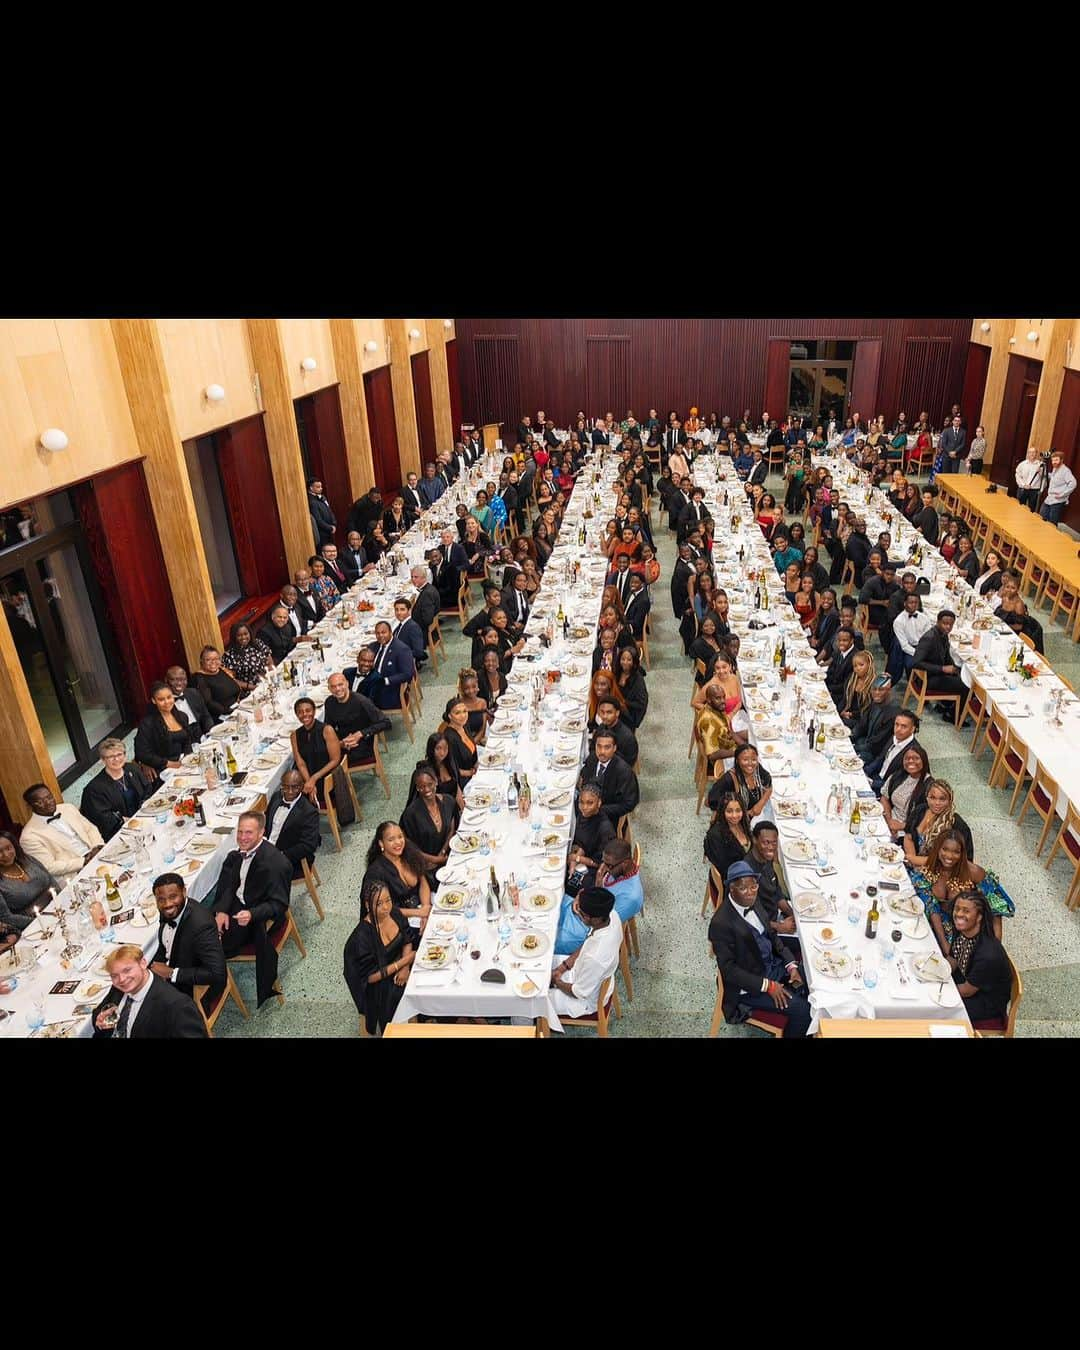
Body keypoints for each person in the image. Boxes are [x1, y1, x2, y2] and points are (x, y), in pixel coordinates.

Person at [708, 861, 810, 1038]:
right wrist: (767, 986)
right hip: (750, 987)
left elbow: (773, 937)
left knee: (811, 976)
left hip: (773, 967)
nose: (750, 892)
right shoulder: (721, 924)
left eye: (753, 886)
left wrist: (791, 966)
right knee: (804, 1012)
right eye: (743, 888)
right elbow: (729, 971)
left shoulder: (754, 901)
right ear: (731, 889)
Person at [212, 811, 293, 1007]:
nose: (242, 838)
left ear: (261, 832)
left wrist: (252, 914)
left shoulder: (276, 863)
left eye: (248, 833)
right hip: (235, 904)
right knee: (201, 926)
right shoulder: (237, 854)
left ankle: (211, 990)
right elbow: (230, 884)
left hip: (254, 915)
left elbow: (280, 904)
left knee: (211, 948)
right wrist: (222, 910)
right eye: (239, 832)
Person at [911, 829, 1014, 951]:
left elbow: (997, 911)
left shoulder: (974, 872)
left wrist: (996, 948)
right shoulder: (931, 868)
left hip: (967, 929)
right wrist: (945, 944)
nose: (949, 856)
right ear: (938, 849)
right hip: (938, 925)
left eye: (956, 852)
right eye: (945, 849)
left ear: (962, 853)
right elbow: (931, 906)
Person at [343, 878, 416, 1036]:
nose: (386, 908)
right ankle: (404, 1029)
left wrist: (405, 967)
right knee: (401, 993)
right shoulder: (361, 937)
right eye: (379, 904)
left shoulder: (394, 912)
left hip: (400, 963)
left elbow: (407, 939)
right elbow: (370, 977)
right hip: (379, 982)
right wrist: (404, 962)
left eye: (388, 900)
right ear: (368, 906)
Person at [93, 944, 208, 1039]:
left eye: (127, 970)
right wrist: (100, 1021)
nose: (122, 979)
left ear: (143, 963)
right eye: (114, 976)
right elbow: (98, 1013)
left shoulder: (178, 1006)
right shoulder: (119, 987)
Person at [548, 887, 624, 1023]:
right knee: (543, 960)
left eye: (580, 913)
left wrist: (556, 982)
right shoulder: (611, 915)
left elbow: (578, 992)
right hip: (584, 972)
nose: (578, 914)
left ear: (593, 919)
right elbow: (587, 943)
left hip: (584, 1000)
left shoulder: (595, 957)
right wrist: (562, 968)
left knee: (530, 1000)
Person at [148, 871, 226, 1001]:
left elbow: (217, 974)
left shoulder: (201, 926)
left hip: (190, 987)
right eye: (161, 899)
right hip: (174, 963)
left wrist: (171, 973)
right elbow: (166, 944)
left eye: (173, 897)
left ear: (184, 892)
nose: (167, 904)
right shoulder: (169, 911)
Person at [943, 890, 1013, 1024]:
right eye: (957, 909)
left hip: (985, 1000)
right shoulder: (963, 930)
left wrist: (938, 990)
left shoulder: (987, 955)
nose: (958, 914)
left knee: (940, 1009)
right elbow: (952, 960)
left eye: (966, 911)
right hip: (966, 978)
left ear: (979, 916)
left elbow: (967, 991)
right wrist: (937, 974)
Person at [19, 783, 104, 883]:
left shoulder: (67, 808)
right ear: (30, 806)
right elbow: (50, 867)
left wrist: (97, 847)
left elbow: (90, 829)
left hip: (98, 853)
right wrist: (85, 861)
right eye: (40, 802)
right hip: (76, 874)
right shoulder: (29, 836)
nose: (48, 802)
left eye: (49, 797)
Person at [80, 737, 153, 841]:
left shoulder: (132, 768)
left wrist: (145, 810)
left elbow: (147, 789)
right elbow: (102, 818)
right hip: (119, 833)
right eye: (111, 756)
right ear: (103, 759)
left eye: (119, 754)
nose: (116, 759)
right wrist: (129, 821)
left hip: (145, 818)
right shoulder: (94, 789)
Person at [363, 821, 431, 931]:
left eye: (400, 837)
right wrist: (419, 913)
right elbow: (385, 909)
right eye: (391, 839)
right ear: (381, 843)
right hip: (399, 921)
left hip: (423, 904)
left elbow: (423, 880)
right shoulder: (376, 872)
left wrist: (425, 908)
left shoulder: (409, 852)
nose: (398, 842)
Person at [322, 671, 391, 768]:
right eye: (333, 686)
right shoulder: (329, 702)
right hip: (342, 742)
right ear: (329, 689)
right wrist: (339, 743)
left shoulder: (361, 701)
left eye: (340, 685)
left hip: (361, 744)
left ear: (347, 684)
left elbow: (386, 722)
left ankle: (335, 782)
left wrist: (360, 734)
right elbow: (328, 727)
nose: (337, 689)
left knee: (325, 760)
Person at [399, 766, 458, 877]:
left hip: (450, 855)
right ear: (417, 788)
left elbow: (452, 828)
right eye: (421, 787)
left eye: (429, 784)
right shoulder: (411, 814)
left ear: (436, 781)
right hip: (427, 866)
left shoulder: (448, 801)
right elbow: (410, 846)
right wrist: (435, 860)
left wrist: (443, 852)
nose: (426, 790)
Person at [902, 778, 974, 868]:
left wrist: (915, 860)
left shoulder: (957, 825)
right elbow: (908, 836)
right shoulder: (921, 810)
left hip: (938, 871)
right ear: (927, 797)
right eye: (932, 797)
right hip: (912, 861)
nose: (937, 803)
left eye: (942, 799)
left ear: (950, 800)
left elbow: (951, 859)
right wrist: (912, 859)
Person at [264, 769, 321, 877]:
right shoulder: (276, 797)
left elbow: (308, 845)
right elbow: (266, 823)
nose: (289, 791)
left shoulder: (309, 812)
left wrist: (280, 856)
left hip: (289, 858)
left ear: (302, 786)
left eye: (295, 787)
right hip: (267, 849)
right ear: (281, 785)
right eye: (286, 786)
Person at [0, 830, 58, 930]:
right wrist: (42, 922)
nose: (6, 854)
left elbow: (50, 879)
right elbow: (7, 918)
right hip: (35, 926)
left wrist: (62, 900)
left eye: (8, 848)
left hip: (58, 907)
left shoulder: (27, 859)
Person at [134, 680, 196, 775]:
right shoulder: (147, 724)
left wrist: (189, 760)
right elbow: (142, 753)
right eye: (161, 699)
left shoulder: (182, 716)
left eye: (169, 697)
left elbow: (187, 740)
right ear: (154, 701)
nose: (167, 702)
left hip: (184, 764)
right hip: (163, 769)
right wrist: (169, 764)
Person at [580, 731, 639, 825]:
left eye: (607, 747)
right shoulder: (592, 758)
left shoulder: (624, 772)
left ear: (614, 748)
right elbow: (584, 778)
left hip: (606, 817)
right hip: (585, 807)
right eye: (599, 746)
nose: (602, 751)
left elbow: (629, 803)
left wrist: (598, 809)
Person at [912, 609, 966, 711]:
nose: (948, 627)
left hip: (936, 674)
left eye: (951, 625)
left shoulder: (943, 634)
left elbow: (946, 655)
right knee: (965, 686)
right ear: (938, 622)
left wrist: (955, 668)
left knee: (962, 676)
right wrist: (942, 669)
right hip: (926, 678)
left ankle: (946, 704)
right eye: (945, 624)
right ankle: (954, 715)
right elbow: (916, 662)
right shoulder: (929, 638)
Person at [566, 784, 616, 891]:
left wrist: (576, 858)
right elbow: (585, 843)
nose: (584, 807)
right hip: (583, 858)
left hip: (597, 872)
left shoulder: (605, 829)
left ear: (599, 803)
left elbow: (602, 863)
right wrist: (575, 858)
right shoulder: (584, 815)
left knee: (566, 883)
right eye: (581, 802)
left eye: (590, 803)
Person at [709, 744, 773, 821]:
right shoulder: (729, 779)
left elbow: (769, 785)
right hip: (737, 822)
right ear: (737, 760)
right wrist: (749, 813)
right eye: (745, 760)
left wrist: (760, 804)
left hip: (755, 816)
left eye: (753, 759)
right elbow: (712, 803)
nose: (750, 763)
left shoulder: (756, 768)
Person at [881, 745, 933, 838]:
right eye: (907, 758)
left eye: (916, 758)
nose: (911, 761)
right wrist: (889, 820)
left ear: (924, 760)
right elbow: (884, 798)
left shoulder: (930, 786)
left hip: (909, 831)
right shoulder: (899, 775)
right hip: (888, 819)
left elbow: (928, 819)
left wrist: (901, 826)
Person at [703, 792, 751, 890]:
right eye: (729, 811)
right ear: (722, 811)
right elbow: (726, 869)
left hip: (747, 870)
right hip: (734, 882)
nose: (734, 815)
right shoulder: (715, 836)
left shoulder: (742, 824)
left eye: (738, 810)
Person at [850, 676, 901, 767]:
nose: (876, 693)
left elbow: (877, 744)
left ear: (889, 691)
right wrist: (851, 736)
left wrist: (853, 748)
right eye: (874, 689)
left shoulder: (892, 713)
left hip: (875, 753)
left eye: (881, 690)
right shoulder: (876, 701)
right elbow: (862, 724)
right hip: (865, 741)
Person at [365, 620, 416, 712]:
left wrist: (385, 681)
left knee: (357, 701)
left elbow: (407, 674)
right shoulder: (373, 646)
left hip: (390, 691)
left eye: (383, 632)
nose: (380, 636)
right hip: (372, 683)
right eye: (378, 633)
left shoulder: (402, 649)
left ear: (390, 632)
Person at [192, 646, 243, 721]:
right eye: (208, 660)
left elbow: (236, 686)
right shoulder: (199, 678)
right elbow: (209, 703)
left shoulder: (222, 670)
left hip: (237, 708)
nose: (213, 662)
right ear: (201, 661)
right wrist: (230, 711)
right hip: (222, 717)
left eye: (216, 659)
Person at [163, 666, 214, 737]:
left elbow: (206, 716)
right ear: (166, 680)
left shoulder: (193, 693)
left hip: (201, 734)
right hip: (182, 740)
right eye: (175, 680)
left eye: (183, 679)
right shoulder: (163, 702)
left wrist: (210, 732)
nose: (179, 683)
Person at [222, 621, 272, 690]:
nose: (243, 637)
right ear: (234, 637)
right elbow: (232, 680)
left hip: (268, 679)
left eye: (246, 634)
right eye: (239, 635)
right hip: (251, 688)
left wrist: (270, 673)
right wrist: (253, 687)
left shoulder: (257, 643)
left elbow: (268, 657)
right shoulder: (230, 655)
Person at [590, 698, 639, 766]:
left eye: (609, 712)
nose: (605, 716)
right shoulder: (601, 727)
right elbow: (592, 749)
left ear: (617, 713)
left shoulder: (628, 738)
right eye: (602, 712)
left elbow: (628, 764)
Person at [442, 697, 479, 783]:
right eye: (457, 713)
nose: (463, 716)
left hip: (474, 767)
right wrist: (470, 773)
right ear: (449, 716)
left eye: (465, 711)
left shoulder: (464, 725)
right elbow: (450, 768)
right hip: (464, 779)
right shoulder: (449, 738)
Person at [615, 645, 649, 730]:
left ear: (634, 662)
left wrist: (624, 703)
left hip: (629, 714)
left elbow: (641, 704)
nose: (625, 662)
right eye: (623, 659)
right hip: (617, 708)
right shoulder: (618, 672)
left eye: (629, 660)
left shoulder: (638, 680)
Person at [1040, 450, 1077, 524]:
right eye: (1053, 460)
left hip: (1058, 501)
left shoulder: (1065, 471)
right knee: (1042, 516)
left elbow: (1073, 483)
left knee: (1052, 522)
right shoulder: (1055, 468)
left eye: (1056, 460)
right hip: (1050, 498)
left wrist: (1062, 494)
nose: (1054, 462)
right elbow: (1054, 478)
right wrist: (1043, 473)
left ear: (1061, 460)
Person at [307, 477, 337, 549]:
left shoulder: (322, 497)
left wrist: (334, 524)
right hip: (322, 533)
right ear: (311, 488)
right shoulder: (311, 501)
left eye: (321, 486)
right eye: (318, 487)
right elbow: (318, 519)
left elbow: (329, 510)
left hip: (330, 531)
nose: (321, 488)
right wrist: (329, 528)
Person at [1015, 446, 1045, 512]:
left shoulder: (1041, 465)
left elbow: (1044, 478)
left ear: (1036, 454)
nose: (1032, 454)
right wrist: (1023, 485)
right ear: (1028, 454)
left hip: (1034, 490)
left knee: (1032, 510)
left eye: (1033, 452)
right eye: (1030, 452)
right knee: (1019, 507)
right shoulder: (1022, 464)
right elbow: (1018, 475)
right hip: (1023, 489)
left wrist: (1041, 490)